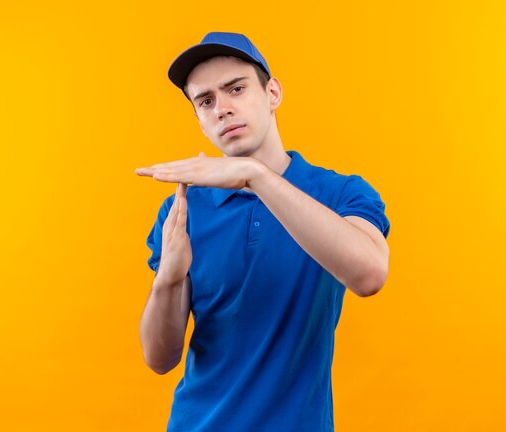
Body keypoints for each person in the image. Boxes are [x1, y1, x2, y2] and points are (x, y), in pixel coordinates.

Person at [136, 32, 391, 432]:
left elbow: (369, 274)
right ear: (199, 119)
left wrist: (254, 175)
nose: (222, 109)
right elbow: (159, 357)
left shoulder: (340, 193)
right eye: (206, 101)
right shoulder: (183, 209)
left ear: (272, 93)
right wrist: (167, 280)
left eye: (236, 89)